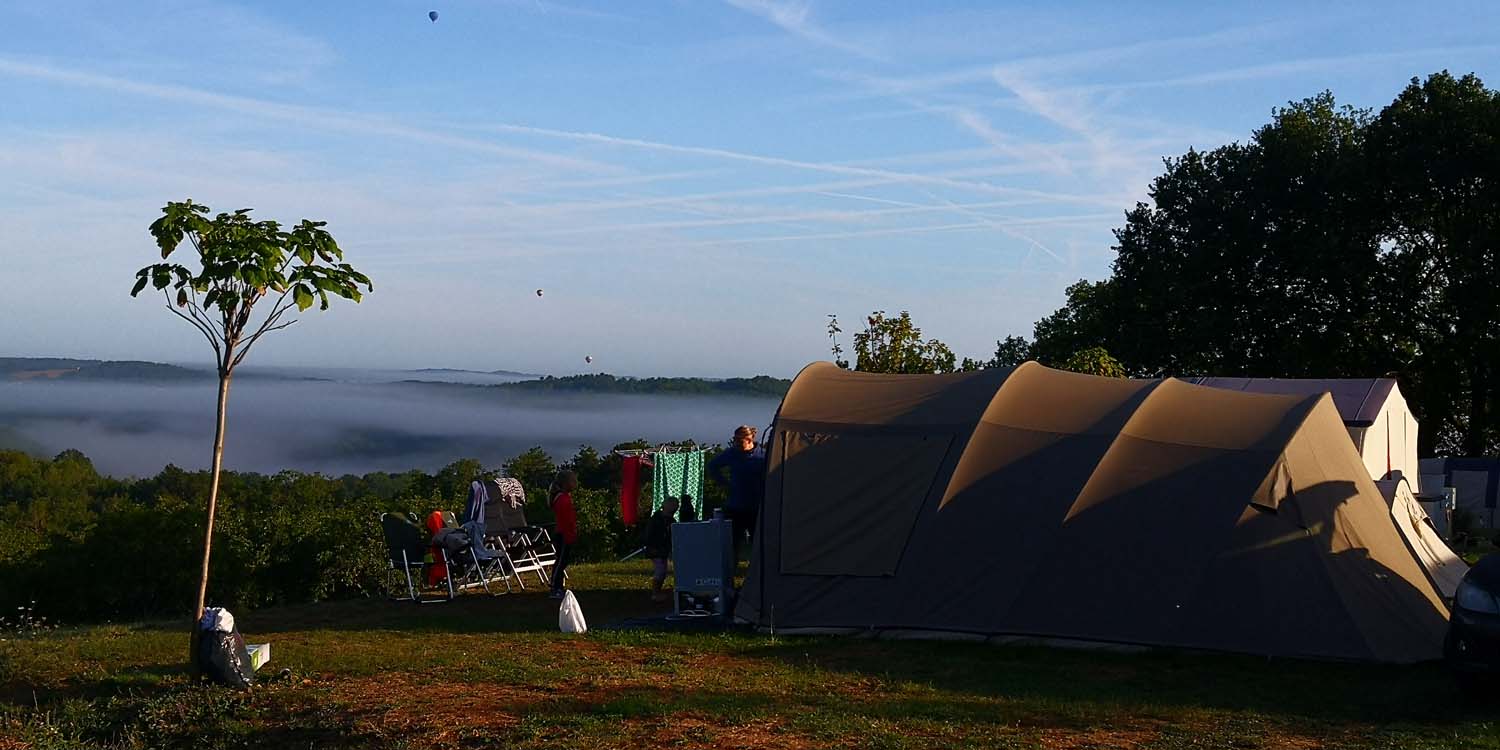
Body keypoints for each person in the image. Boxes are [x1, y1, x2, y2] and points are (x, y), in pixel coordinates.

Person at [707, 425, 766, 550]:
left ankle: (756, 568)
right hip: (735, 506)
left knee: (757, 544)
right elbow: (712, 466)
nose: (736, 444)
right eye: (734, 440)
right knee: (732, 544)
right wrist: (725, 484)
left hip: (756, 507)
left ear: (749, 440)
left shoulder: (762, 456)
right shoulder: (732, 453)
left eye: (739, 441)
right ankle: (730, 568)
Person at [548, 470, 579, 599]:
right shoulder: (562, 498)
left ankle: (558, 586)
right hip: (563, 533)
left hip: (566, 532)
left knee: (563, 561)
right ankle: (555, 587)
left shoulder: (563, 497)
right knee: (561, 561)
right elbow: (566, 518)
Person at [643, 496, 678, 602]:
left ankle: (657, 592)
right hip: (655, 549)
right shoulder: (656, 520)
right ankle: (655, 593)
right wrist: (652, 546)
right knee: (660, 571)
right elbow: (649, 535)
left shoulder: (671, 520)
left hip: (662, 550)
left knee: (662, 571)